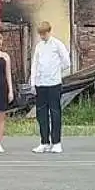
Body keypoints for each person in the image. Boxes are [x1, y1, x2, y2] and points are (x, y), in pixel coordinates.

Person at [30, 21, 70, 154]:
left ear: (49, 31)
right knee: (41, 114)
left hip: (54, 84)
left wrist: (56, 71)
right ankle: (44, 142)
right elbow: (35, 64)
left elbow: (66, 62)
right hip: (41, 84)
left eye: (44, 33)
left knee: (55, 112)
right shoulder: (39, 46)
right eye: (40, 34)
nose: (42, 36)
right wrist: (33, 82)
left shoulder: (57, 44)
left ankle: (56, 142)